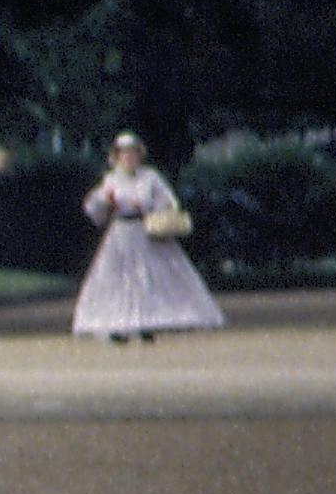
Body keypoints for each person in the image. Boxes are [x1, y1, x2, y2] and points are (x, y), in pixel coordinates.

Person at [74, 132, 224, 344]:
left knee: (148, 276)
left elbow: (169, 202)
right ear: (116, 157)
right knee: (116, 277)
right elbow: (93, 207)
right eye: (124, 154)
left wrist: (146, 207)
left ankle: (146, 321)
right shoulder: (111, 179)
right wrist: (105, 202)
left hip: (144, 231)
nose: (129, 158)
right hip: (120, 232)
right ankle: (118, 322)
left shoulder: (150, 178)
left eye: (133, 153)